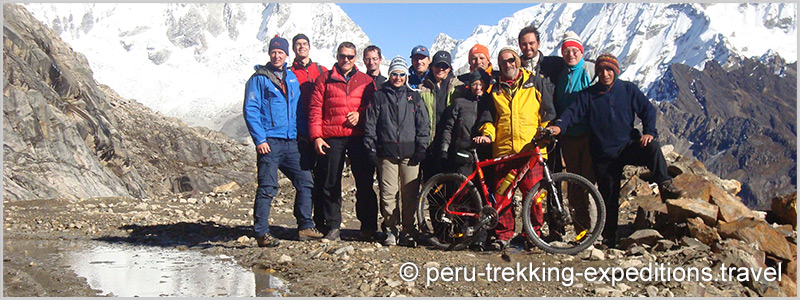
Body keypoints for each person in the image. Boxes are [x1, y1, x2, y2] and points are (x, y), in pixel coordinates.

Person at [547, 53, 686, 249]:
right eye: (601, 70)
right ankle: (609, 238)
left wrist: (649, 132)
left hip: (627, 146)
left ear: (616, 71)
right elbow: (572, 113)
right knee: (609, 197)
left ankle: (665, 184)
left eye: (609, 70)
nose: (605, 74)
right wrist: (559, 126)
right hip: (604, 155)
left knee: (652, 147)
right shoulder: (588, 95)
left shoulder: (628, 89)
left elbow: (648, 110)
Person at [243, 35, 324, 247]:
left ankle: (305, 226)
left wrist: (304, 134)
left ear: (287, 55)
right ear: (269, 54)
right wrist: (259, 139)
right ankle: (261, 232)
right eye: (274, 52)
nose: (277, 55)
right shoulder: (258, 79)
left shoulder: (291, 79)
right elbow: (251, 110)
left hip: (292, 141)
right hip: (269, 141)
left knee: (305, 181)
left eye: (281, 52)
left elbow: (299, 110)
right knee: (268, 186)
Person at [477, 47, 556, 251]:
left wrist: (545, 134)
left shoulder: (535, 82)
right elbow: (488, 117)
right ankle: (503, 235)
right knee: (503, 196)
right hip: (504, 150)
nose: (508, 65)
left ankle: (532, 235)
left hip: (530, 149)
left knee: (534, 196)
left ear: (518, 61)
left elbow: (547, 112)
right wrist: (488, 135)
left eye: (511, 60)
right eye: (503, 62)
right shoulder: (494, 88)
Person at [308, 42, 378, 241]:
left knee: (365, 182)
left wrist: (360, 115)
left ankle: (369, 227)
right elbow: (315, 109)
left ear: (355, 58)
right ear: (337, 56)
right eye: (342, 56)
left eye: (350, 56)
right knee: (331, 182)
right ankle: (332, 226)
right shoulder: (324, 79)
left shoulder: (365, 80)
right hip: (332, 136)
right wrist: (317, 136)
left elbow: (373, 108)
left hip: (358, 136)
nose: (346, 60)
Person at [363, 56, 429, 246]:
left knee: (410, 194)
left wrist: (421, 147)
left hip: (410, 154)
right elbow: (370, 124)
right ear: (389, 74)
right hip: (387, 153)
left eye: (401, 74)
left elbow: (423, 124)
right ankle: (390, 229)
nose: (398, 78)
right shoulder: (379, 96)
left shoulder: (414, 96)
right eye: (394, 74)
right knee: (388, 193)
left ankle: (409, 230)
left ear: (406, 75)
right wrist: (371, 149)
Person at [553, 31, 597, 235]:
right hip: (568, 138)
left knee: (589, 182)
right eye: (566, 51)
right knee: (573, 183)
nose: (571, 54)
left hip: (589, 136)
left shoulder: (591, 70)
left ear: (582, 51)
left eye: (574, 50)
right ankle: (581, 231)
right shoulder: (562, 75)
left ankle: (595, 231)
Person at [290, 33, 329, 230]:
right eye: (298, 44)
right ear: (294, 48)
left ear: (309, 47)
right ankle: (304, 220)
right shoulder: (289, 73)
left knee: (322, 176)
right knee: (303, 177)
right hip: (300, 132)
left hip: (321, 131)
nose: (301, 47)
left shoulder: (322, 70)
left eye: (304, 44)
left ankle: (321, 220)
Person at [419, 50, 463, 183]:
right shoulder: (423, 88)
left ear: (449, 68)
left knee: (451, 185)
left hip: (451, 142)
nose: (441, 69)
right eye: (438, 66)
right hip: (430, 144)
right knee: (431, 184)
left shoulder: (459, 87)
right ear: (432, 66)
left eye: (444, 66)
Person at [440, 69, 491, 176]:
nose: (478, 88)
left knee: (484, 188)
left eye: (481, 84)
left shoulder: (491, 101)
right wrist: (444, 149)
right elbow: (449, 128)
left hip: (485, 152)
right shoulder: (460, 103)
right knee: (463, 188)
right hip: (464, 152)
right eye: (474, 84)